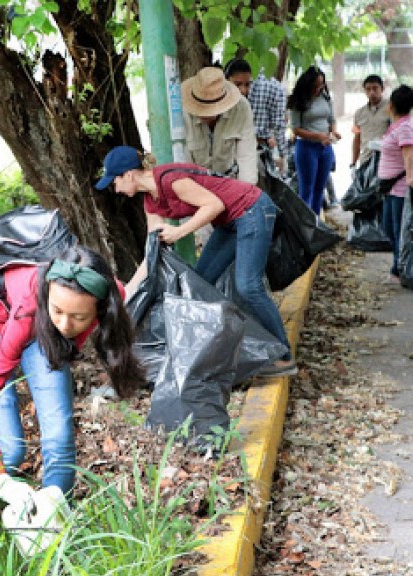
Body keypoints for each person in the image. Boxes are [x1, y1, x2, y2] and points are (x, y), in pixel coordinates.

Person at [0, 245, 145, 511]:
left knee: (59, 437)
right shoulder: (28, 313)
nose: (65, 325)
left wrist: (67, 338)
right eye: (59, 310)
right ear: (48, 292)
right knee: (9, 451)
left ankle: (55, 529)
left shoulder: (111, 294)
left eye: (78, 317)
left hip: (40, 327)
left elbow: (65, 332)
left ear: (101, 308)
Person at [95, 145, 297, 376]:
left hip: (252, 209)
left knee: (248, 286)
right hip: (229, 223)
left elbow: (214, 205)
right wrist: (128, 290)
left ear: (129, 174)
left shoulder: (171, 180)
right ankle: (225, 349)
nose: (115, 188)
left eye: (115, 182)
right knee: (201, 283)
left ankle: (284, 357)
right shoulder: (150, 202)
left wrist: (179, 232)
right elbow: (152, 252)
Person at [182, 66, 258, 184]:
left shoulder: (241, 108)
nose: (206, 114)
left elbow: (247, 156)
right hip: (194, 182)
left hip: (228, 180)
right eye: (201, 108)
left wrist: (246, 193)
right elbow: (181, 165)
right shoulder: (181, 113)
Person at [377, 84, 413, 285]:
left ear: (391, 104)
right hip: (391, 187)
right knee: (389, 227)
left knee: (398, 231)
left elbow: (408, 154)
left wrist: (410, 177)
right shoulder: (397, 125)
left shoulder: (405, 128)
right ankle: (400, 267)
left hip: (401, 187)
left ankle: (399, 270)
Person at [287, 65, 341, 215]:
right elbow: (296, 129)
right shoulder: (298, 101)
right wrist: (317, 136)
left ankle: (315, 224)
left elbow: (332, 119)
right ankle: (304, 225)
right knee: (307, 189)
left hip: (325, 148)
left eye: (321, 85)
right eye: (316, 85)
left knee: (320, 189)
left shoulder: (325, 98)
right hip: (306, 148)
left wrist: (334, 131)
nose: (319, 88)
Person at [248, 66, 288, 171]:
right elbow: (279, 125)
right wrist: (283, 154)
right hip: (262, 147)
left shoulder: (241, 83)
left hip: (239, 145)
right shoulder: (277, 87)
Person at [351, 74, 390, 170]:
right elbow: (357, 138)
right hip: (365, 161)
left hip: (387, 162)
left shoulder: (392, 108)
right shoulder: (359, 113)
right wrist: (353, 163)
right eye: (368, 89)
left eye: (375, 88)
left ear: (382, 89)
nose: (372, 92)